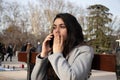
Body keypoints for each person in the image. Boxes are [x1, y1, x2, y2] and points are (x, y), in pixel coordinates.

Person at [31, 13, 94, 80]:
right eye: (54, 27)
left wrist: (57, 54)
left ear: (71, 30)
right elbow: (35, 78)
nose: (57, 31)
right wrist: (43, 54)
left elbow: (71, 78)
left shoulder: (84, 50)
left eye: (62, 27)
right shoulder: (52, 50)